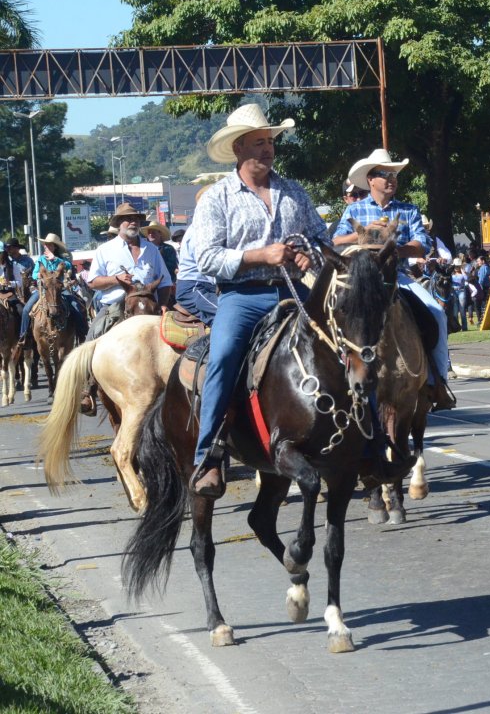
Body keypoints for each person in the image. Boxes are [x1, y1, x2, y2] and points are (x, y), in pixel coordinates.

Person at [187, 103, 334, 499]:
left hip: (293, 292)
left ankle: (364, 441)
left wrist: (309, 255)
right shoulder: (217, 198)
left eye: (270, 142)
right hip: (242, 296)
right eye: (258, 143)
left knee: (343, 345)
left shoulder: (294, 191)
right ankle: (209, 456)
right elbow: (207, 258)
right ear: (238, 148)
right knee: (223, 357)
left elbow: (322, 240)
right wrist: (260, 255)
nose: (268, 149)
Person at [333, 147, 456, 410]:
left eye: (394, 175)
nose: (391, 179)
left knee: (436, 313)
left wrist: (394, 248)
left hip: (398, 275)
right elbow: (336, 242)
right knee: (335, 315)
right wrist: (363, 234)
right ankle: (335, 380)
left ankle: (437, 382)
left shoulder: (409, 210)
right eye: (384, 174)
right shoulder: (354, 211)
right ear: (370, 179)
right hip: (363, 279)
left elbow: (422, 244)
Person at [86, 203, 173, 340]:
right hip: (114, 308)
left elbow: (165, 282)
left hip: (149, 308)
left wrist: (162, 304)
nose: (133, 222)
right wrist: (116, 279)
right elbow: (92, 282)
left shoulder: (151, 249)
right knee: (90, 341)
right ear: (119, 223)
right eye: (128, 219)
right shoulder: (104, 250)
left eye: (136, 219)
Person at [18, 233, 88, 342]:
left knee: (76, 307)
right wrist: (40, 275)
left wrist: (55, 259)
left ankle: (82, 334)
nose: (46, 246)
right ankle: (24, 337)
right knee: (26, 309)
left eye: (49, 244)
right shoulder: (41, 259)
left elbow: (68, 265)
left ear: (55, 247)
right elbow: (34, 274)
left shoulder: (61, 259)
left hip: (61, 290)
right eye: (45, 244)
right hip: (44, 290)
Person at [175, 224, 220, 326]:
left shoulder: (206, 227)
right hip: (194, 287)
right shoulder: (200, 230)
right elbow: (207, 264)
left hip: (203, 286)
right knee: (229, 313)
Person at [450, 261, 469, 332]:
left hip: (461, 291)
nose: (456, 268)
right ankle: (456, 327)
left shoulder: (462, 274)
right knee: (455, 311)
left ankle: (464, 327)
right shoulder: (451, 274)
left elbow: (466, 278)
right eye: (455, 266)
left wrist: (462, 270)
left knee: (462, 310)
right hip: (454, 292)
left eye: (458, 266)